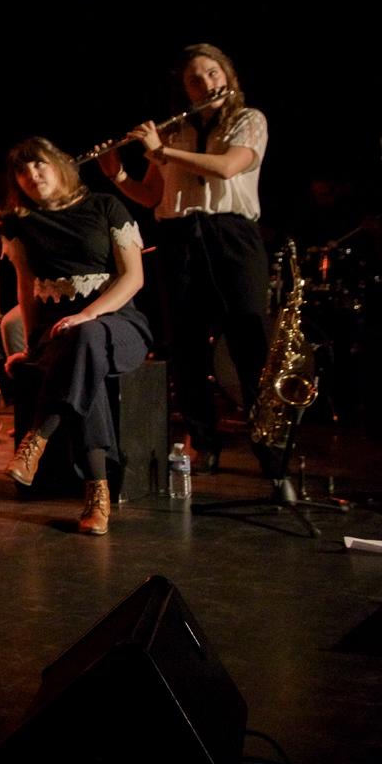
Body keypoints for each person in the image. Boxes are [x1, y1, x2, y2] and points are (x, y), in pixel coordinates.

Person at [98, 44, 269, 469]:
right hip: (179, 237)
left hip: (231, 235)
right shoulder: (175, 131)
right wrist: (118, 173)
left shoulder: (249, 120)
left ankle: (270, 442)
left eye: (212, 73)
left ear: (227, 75)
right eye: (195, 79)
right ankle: (203, 441)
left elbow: (227, 167)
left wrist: (160, 151)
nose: (206, 83)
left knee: (249, 341)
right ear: (185, 89)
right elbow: (151, 195)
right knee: (186, 345)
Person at [0, 137, 153, 534]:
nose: (31, 174)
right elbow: (25, 287)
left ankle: (38, 436)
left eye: (39, 164)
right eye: (22, 170)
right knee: (84, 359)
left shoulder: (105, 205)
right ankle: (97, 493)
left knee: (86, 340)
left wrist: (87, 313)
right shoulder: (19, 222)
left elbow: (134, 277)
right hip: (59, 332)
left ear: (60, 164)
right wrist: (33, 344)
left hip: (118, 322)